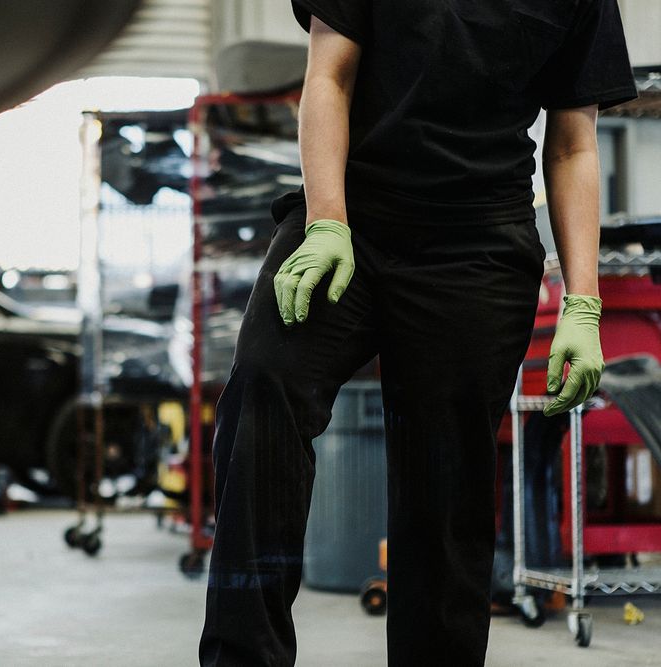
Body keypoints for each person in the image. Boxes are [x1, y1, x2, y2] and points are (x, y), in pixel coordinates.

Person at [199, 1, 637, 665]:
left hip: (478, 247)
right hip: (352, 217)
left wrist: (584, 300)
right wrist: (326, 221)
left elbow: (574, 143)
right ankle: (243, 655)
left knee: (445, 486)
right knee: (266, 384)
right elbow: (328, 77)